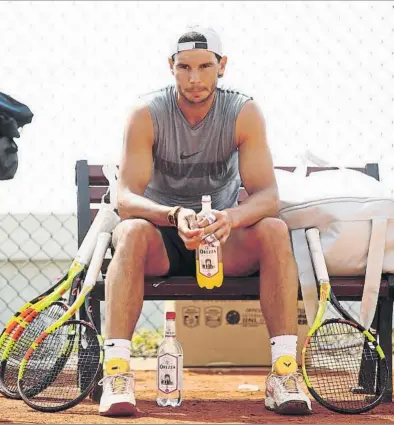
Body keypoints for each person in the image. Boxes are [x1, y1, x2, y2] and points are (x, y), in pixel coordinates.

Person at [99, 25, 312, 417]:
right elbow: (125, 197)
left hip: (221, 239)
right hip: (160, 238)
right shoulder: (145, 113)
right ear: (171, 67)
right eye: (184, 67)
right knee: (128, 232)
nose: (194, 78)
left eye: (203, 66)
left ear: (221, 66)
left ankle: (284, 372)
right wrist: (174, 214)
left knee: (275, 230)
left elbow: (267, 196)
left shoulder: (242, 112)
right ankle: (117, 373)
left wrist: (230, 218)